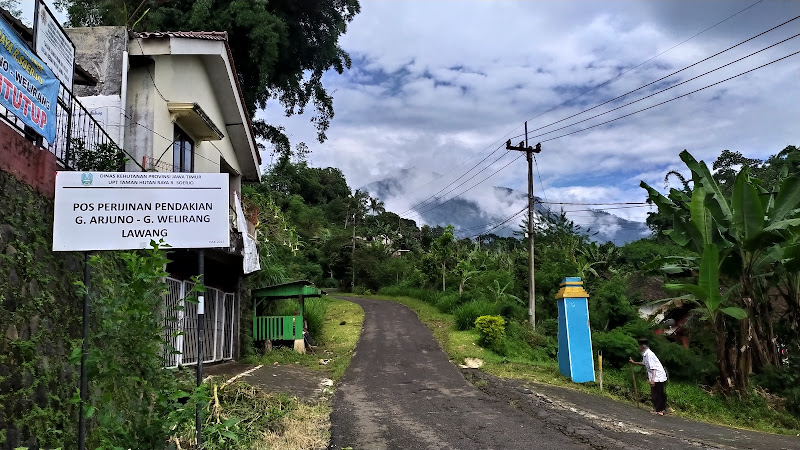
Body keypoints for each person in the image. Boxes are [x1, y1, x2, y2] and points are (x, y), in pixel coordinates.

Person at [629, 338, 668, 415]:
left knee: (657, 393)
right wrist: (634, 363)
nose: (638, 347)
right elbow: (644, 363)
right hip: (655, 375)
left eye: (639, 346)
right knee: (655, 392)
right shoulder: (645, 354)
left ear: (643, 346)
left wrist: (653, 379)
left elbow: (653, 368)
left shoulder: (649, 355)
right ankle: (659, 409)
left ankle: (659, 410)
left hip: (658, 376)